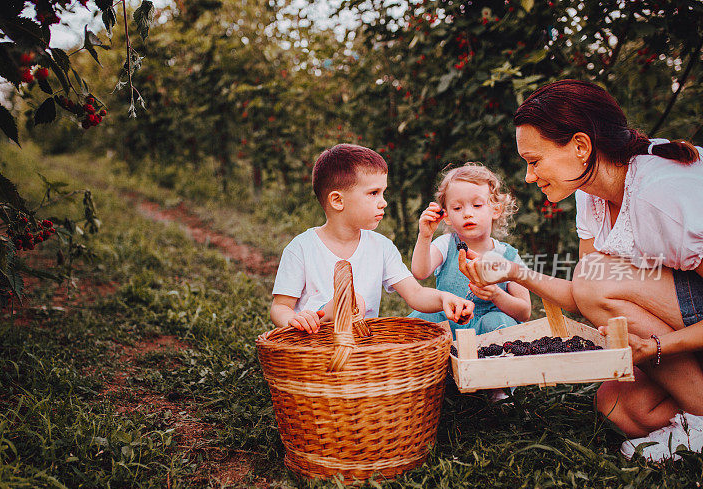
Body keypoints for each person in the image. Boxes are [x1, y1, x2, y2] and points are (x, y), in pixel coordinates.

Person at [457, 79, 703, 462]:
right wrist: (513, 272)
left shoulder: (662, 195)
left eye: (534, 161)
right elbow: (581, 295)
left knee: (596, 279)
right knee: (616, 403)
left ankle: (701, 419)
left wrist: (657, 348)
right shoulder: (592, 195)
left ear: (581, 146)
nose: (528, 176)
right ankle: (692, 417)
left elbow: (592, 287)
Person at [270, 143, 474, 333]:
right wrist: (294, 320)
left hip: (362, 345)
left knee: (360, 306)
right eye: (373, 193)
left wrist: (444, 298)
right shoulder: (301, 248)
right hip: (314, 342)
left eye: (383, 193)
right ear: (337, 200)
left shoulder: (381, 247)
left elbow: (415, 294)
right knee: (352, 301)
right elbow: (280, 307)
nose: (383, 202)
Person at [408, 164, 531, 336]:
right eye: (457, 208)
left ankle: (496, 359)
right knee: (423, 317)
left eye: (477, 205)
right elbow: (420, 272)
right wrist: (425, 236)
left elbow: (524, 312)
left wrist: (496, 295)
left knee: (497, 320)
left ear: (496, 210)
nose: (467, 213)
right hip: (448, 325)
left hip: (487, 332)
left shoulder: (508, 256)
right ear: (448, 217)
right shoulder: (446, 244)